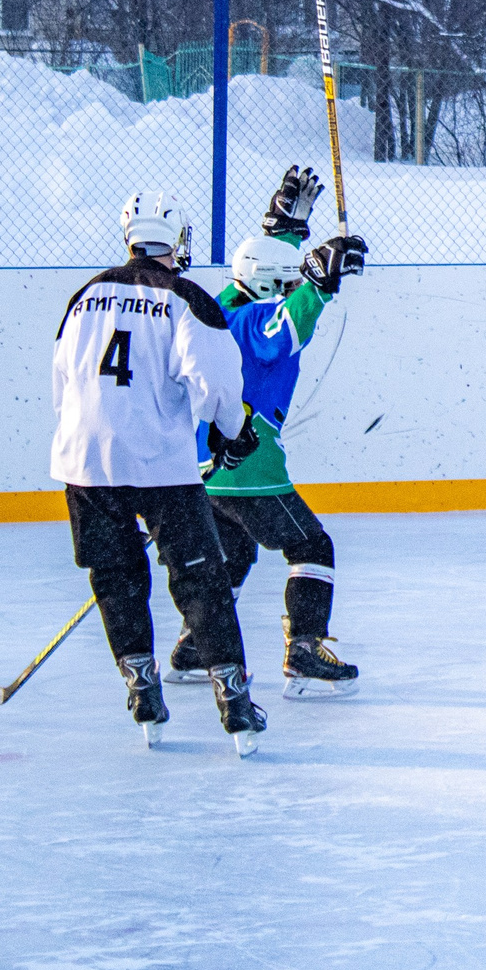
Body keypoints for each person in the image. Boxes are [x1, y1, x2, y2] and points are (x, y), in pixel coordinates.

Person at [52, 191, 267, 753]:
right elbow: (217, 386)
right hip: (161, 467)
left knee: (116, 578)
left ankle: (143, 692)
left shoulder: (84, 296)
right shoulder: (184, 296)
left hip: (84, 463)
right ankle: (235, 702)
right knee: (200, 579)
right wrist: (231, 431)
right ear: (175, 241)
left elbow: (64, 384)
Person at [185, 166, 367, 698]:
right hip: (252, 464)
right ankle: (304, 651)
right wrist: (318, 284)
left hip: (211, 465)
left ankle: (195, 647)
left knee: (234, 556)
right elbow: (283, 328)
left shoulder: (223, 307)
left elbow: (269, 272)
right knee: (312, 545)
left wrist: (286, 229)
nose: (291, 288)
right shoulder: (255, 320)